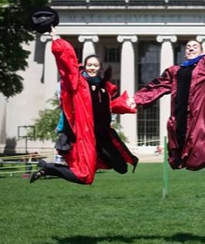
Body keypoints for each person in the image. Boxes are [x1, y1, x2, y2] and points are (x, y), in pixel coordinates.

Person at [30, 27, 138, 184]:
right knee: (85, 177)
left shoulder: (105, 87)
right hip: (86, 134)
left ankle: (91, 158)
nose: (92, 68)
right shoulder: (79, 83)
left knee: (122, 167)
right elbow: (68, 62)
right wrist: (56, 40)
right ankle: (48, 168)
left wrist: (128, 104)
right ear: (85, 67)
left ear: (100, 67)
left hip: (104, 135)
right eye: (89, 65)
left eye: (95, 65)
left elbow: (110, 105)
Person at [128, 37, 205, 172]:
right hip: (178, 116)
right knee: (176, 160)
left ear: (201, 51)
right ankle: (197, 154)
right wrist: (137, 99)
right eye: (188, 47)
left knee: (197, 160)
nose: (191, 48)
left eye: (195, 46)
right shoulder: (175, 71)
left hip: (196, 115)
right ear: (185, 52)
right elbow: (158, 85)